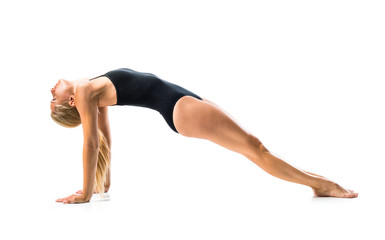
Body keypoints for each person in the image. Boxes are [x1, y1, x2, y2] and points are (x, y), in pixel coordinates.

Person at [51, 68, 358, 204]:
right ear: (72, 103)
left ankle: (317, 182)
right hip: (179, 108)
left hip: (183, 100)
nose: (52, 90)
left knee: (255, 146)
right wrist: (87, 192)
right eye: (53, 98)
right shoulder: (84, 91)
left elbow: (106, 143)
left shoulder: (92, 90)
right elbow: (91, 143)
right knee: (255, 148)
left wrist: (103, 183)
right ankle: (323, 186)